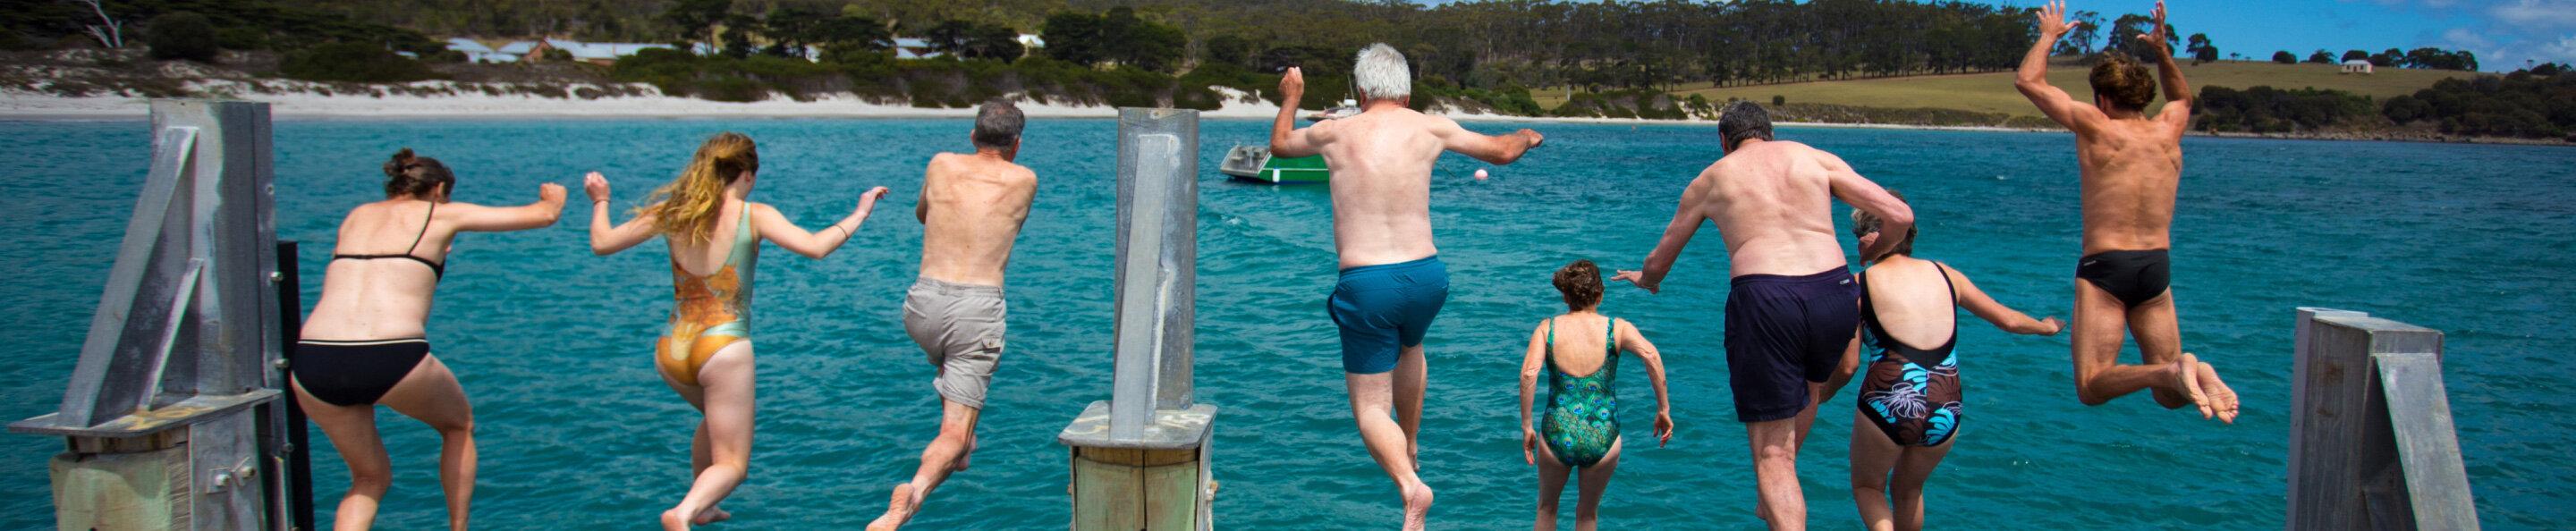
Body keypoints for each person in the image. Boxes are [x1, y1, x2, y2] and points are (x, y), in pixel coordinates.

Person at [1267, 43, 1546, 531]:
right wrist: (1526, 134)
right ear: (1407, 89)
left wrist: (1291, 95)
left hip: (1368, 280)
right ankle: (1411, 444)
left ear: (1361, 89)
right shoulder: (1428, 126)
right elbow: (1502, 151)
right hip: (1427, 277)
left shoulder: (1335, 131)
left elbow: (1281, 145)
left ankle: (1410, 487)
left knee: (1371, 408)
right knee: (1411, 346)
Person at [1611, 101, 1911, 530]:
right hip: (1836, 292)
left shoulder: (1713, 179)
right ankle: (1776, 485)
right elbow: (1900, 215)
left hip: (1768, 297)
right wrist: (1874, 256)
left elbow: (1661, 259)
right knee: (1808, 388)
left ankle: (1776, 476)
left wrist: (1646, 279)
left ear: (1723, 141)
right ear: (1769, 132)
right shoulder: (1813, 157)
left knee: (1772, 454)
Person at [585, 132, 891, 530]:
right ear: (746, 174)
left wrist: (601, 200)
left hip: (672, 348)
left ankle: (703, 503)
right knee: (733, 463)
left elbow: (602, 243)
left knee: (713, 422)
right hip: (722, 348)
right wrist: (860, 212)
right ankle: (683, 513)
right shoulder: (753, 215)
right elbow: (816, 246)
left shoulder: (673, 211)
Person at [292, 148, 564, 530]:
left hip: (314, 361)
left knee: (369, 478)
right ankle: (458, 527)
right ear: (438, 189)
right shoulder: (439, 213)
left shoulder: (357, 216)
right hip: (390, 352)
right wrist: (554, 197)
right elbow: (542, 216)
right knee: (458, 426)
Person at [2015, 0, 2238, 422]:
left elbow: (2028, 81)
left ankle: (2173, 369)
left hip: (2106, 267)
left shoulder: (2096, 126)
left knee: (2092, 386)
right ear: (2143, 95)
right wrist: (2162, 50)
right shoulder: (2169, 128)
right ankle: (2178, 371)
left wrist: (2048, 36)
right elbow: (2183, 97)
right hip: (2156, 266)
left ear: (2102, 98)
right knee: (2171, 396)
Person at [1843, 192, 2063, 531]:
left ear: (1871, 238)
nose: (1857, 246)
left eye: (1858, 237)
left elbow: (1849, 365)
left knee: (1868, 487)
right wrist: (2045, 327)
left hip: (1890, 399)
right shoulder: (1946, 275)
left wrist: (1818, 394)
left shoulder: (1859, 286)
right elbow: (2009, 321)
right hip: (1947, 403)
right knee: (1909, 489)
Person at [869, 101, 1038, 531]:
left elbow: (923, 214)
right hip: (976, 307)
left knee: (952, 361)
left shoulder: (940, 163)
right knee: (953, 429)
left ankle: (962, 447)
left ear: (972, 136)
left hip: (922, 303)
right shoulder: (1024, 179)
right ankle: (913, 495)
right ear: (1016, 144)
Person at [1518, 260, 1674, 531]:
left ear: (1566, 297)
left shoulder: (1548, 328)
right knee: (1587, 514)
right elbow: (1651, 355)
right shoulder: (1617, 328)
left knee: (1546, 508)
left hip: (1558, 430)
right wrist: (1663, 409)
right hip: (1603, 433)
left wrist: (1527, 426)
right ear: (1599, 296)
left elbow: (1529, 374)